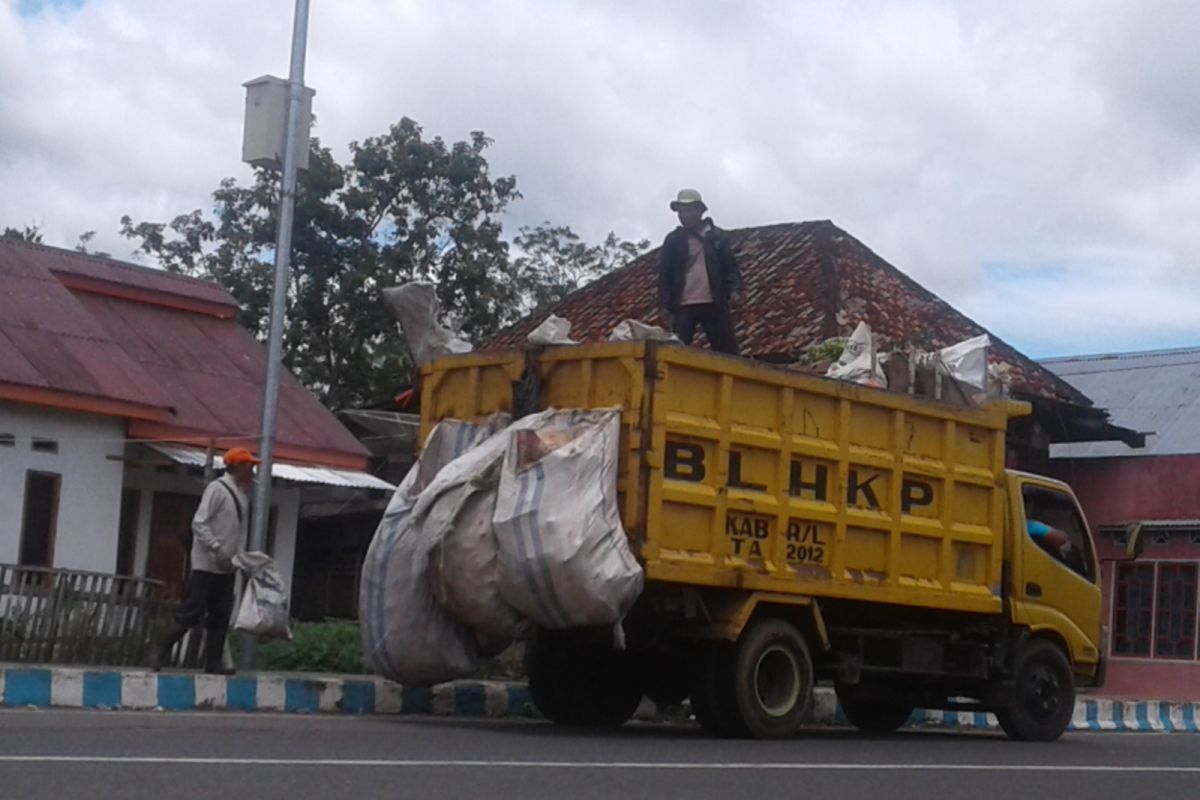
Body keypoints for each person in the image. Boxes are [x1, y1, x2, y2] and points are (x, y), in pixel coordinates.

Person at [154, 447, 259, 675]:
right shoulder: (217, 489)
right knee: (192, 612)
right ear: (238, 467)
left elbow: (239, 534)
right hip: (206, 565)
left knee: (221, 615)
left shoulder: (242, 497)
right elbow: (199, 523)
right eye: (249, 465)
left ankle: (213, 662)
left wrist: (239, 559)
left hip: (227, 567)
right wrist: (216, 548)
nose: (252, 470)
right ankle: (159, 650)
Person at [657, 188, 742, 355]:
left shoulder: (716, 236)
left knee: (726, 351)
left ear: (699, 211)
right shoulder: (673, 240)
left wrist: (734, 290)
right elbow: (665, 274)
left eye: (688, 211)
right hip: (683, 305)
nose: (683, 216)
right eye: (680, 212)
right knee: (676, 352)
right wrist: (664, 306)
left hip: (714, 301)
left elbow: (730, 267)